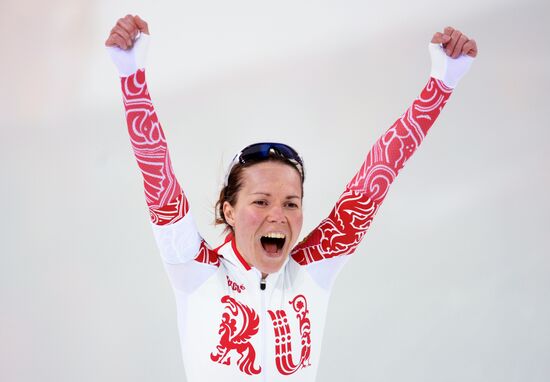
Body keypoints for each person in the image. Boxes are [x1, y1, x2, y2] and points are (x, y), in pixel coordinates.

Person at [106, 15, 477, 382]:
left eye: (290, 203)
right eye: (261, 201)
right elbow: (157, 172)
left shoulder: (310, 270)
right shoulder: (197, 269)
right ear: (229, 210)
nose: (278, 216)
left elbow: (375, 178)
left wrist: (442, 82)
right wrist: (131, 76)